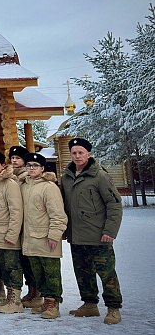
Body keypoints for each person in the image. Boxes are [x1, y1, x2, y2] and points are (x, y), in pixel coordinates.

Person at [60, 138, 124, 324]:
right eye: (74, 153)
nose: (77, 156)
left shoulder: (100, 176)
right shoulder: (67, 176)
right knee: (82, 273)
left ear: (89, 153)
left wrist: (110, 230)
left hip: (99, 236)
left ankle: (113, 308)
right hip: (76, 236)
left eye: (81, 152)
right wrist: (65, 229)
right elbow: (65, 206)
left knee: (107, 273)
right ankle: (90, 304)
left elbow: (114, 204)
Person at [20, 153, 68, 319]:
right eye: (29, 165)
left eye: (35, 165)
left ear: (42, 168)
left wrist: (55, 235)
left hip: (46, 238)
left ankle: (53, 303)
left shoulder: (49, 187)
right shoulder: (24, 185)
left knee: (51, 273)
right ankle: (44, 301)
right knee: (38, 273)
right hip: (30, 238)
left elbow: (58, 215)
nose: (31, 168)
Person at [0, 151, 25, 314]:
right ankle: (8, 298)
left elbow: (16, 211)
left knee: (12, 267)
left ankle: (16, 301)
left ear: (3, 165)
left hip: (7, 234)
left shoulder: (10, 184)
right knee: (3, 267)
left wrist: (12, 234)